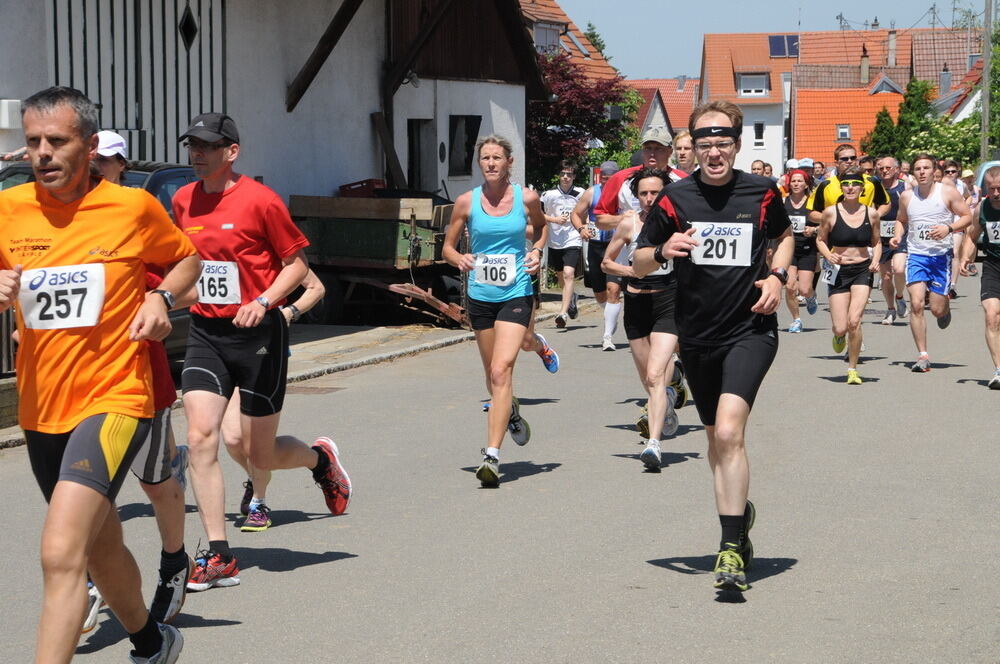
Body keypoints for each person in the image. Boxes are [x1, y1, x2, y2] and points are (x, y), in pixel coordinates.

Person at [0, 86, 200, 663]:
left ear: (89, 146)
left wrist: (161, 296)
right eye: (33, 141)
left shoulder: (130, 206)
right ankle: (152, 640)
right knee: (98, 546)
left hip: (117, 396)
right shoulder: (10, 212)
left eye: (56, 141)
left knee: (61, 552)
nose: (42, 153)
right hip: (41, 406)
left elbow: (186, 259)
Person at [173, 113, 352, 592]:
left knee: (258, 453)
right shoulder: (182, 200)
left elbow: (297, 265)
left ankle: (320, 461)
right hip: (207, 333)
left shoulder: (260, 200)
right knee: (202, 437)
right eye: (193, 145)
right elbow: (185, 265)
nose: (198, 154)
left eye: (208, 146)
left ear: (231, 152)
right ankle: (219, 552)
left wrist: (263, 301)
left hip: (258, 337)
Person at [634, 100, 793, 593]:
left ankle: (728, 548)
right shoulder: (674, 199)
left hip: (750, 330)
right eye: (704, 145)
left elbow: (785, 236)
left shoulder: (763, 191)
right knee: (714, 441)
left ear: (737, 145)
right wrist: (662, 250)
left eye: (723, 143)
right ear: (693, 150)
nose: (714, 152)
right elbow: (638, 260)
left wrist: (779, 277)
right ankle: (738, 517)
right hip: (697, 337)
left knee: (728, 433)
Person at [88, 130, 195, 628]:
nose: (97, 171)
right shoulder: (50, 222)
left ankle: (174, 561)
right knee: (92, 492)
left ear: (118, 166)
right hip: (75, 386)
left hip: (138, 378)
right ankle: (92, 582)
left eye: (105, 163)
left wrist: (159, 300)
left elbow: (189, 279)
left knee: (156, 483)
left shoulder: (134, 215)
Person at [442, 134, 558, 487]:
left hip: (516, 291)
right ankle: (510, 410)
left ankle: (491, 456)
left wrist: (536, 251)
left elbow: (541, 229)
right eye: (485, 158)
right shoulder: (465, 202)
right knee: (493, 380)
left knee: (501, 369)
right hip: (480, 295)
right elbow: (447, 247)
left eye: (497, 158)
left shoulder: (526, 198)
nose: (491, 163)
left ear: (509, 163)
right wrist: (459, 257)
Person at [222, 270, 326, 532]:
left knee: (255, 444)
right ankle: (315, 461)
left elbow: (316, 288)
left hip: (263, 346)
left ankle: (260, 501)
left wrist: (288, 312)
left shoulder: (271, 246)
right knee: (234, 439)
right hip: (220, 344)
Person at [600, 168, 680, 470]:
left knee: (655, 375)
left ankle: (654, 444)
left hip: (667, 301)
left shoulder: (675, 224)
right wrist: (632, 271)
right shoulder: (628, 223)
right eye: (644, 193)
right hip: (636, 302)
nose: (649, 199)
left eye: (655, 193)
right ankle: (666, 401)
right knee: (648, 379)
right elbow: (606, 261)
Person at [890, 153, 973, 372]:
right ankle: (923, 355)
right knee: (916, 304)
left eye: (926, 168)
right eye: (918, 169)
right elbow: (901, 219)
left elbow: (967, 217)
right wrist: (898, 236)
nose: (922, 172)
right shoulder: (907, 196)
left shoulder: (946, 192)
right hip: (916, 255)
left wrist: (949, 228)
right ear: (913, 172)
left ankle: (944, 309)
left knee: (935, 309)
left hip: (940, 257)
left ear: (934, 170)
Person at [816, 167, 881, 384]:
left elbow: (877, 241)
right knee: (841, 326)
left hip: (862, 269)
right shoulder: (830, 213)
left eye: (855, 184)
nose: (850, 188)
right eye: (846, 184)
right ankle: (837, 334)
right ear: (841, 188)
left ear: (862, 187)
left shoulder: (871, 213)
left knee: (855, 321)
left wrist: (875, 260)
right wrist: (828, 255)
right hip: (838, 271)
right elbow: (820, 240)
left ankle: (852, 368)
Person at [570, 160, 623, 350]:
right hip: (595, 246)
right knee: (600, 293)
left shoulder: (623, 193)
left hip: (615, 246)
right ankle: (611, 314)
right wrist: (581, 228)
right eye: (604, 179)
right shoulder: (592, 192)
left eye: (611, 179)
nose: (607, 183)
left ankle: (607, 337)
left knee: (613, 290)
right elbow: (575, 214)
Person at [594, 126, 686, 228]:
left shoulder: (683, 180)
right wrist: (625, 219)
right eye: (648, 148)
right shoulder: (620, 178)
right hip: (632, 242)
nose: (652, 154)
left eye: (659, 149)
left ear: (670, 152)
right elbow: (600, 220)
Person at [960, 166, 1000, 387]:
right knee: (992, 314)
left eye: (999, 189)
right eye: (991, 188)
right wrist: (966, 257)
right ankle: (999, 369)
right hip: (993, 267)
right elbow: (971, 236)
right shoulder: (983, 208)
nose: (995, 193)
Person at [541, 161, 584, 328]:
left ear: (574, 177)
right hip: (555, 239)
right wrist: (554, 219)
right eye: (563, 174)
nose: (566, 177)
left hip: (573, 238)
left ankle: (563, 313)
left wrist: (584, 227)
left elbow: (585, 212)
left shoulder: (580, 193)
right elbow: (538, 214)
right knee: (561, 278)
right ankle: (572, 298)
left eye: (569, 174)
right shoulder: (549, 195)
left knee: (568, 274)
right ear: (559, 176)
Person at [808, 144, 890, 227]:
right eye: (845, 159)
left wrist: (874, 216)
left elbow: (886, 203)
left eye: (853, 158)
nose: (850, 161)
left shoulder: (871, 182)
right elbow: (811, 213)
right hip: (835, 236)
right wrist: (832, 219)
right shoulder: (826, 185)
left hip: (864, 235)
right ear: (836, 163)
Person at [782, 169, 819, 332]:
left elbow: (826, 223)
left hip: (807, 248)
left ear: (805, 184)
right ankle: (796, 319)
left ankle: (811, 296)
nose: (796, 184)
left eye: (799, 181)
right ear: (789, 184)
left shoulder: (812, 203)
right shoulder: (783, 202)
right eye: (793, 181)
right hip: (789, 249)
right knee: (790, 286)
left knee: (804, 289)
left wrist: (814, 230)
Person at [875, 156, 910, 325]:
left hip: (901, 235)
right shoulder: (874, 189)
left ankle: (900, 296)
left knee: (899, 269)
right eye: (881, 168)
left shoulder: (905, 188)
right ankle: (890, 309)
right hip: (880, 236)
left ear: (897, 170)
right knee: (886, 277)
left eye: (888, 168)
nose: (885, 170)